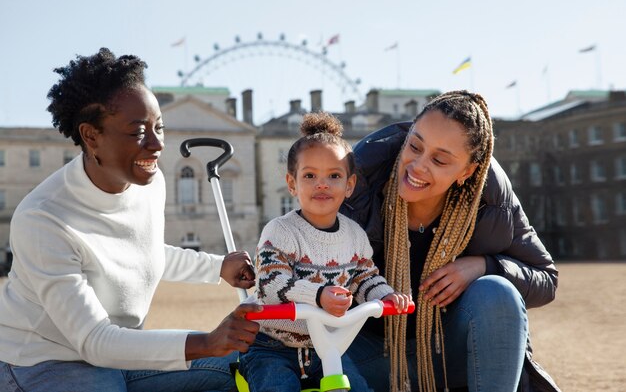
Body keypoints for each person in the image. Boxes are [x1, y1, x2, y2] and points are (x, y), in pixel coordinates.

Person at [0, 48, 262, 392]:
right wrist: (206, 342)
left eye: (159, 127)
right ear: (91, 135)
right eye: (139, 131)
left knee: (243, 368)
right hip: (44, 362)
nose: (156, 144)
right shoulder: (43, 218)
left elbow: (143, 252)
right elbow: (94, 341)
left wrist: (217, 267)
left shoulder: (149, 183)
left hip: (122, 351)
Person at [341, 90, 561, 392]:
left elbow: (546, 279)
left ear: (467, 171)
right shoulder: (357, 178)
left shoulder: (493, 198)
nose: (418, 165)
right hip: (365, 357)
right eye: (414, 146)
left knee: (497, 292)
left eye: (440, 160)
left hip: (447, 357)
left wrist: (484, 266)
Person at [238, 112, 412, 392]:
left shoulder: (355, 235)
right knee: (277, 386)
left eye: (334, 175)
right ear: (292, 183)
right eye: (310, 175)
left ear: (349, 185)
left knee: (356, 386)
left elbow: (364, 278)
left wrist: (386, 296)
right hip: (273, 345)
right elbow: (271, 285)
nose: (322, 184)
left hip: (327, 347)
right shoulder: (281, 231)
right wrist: (318, 296)